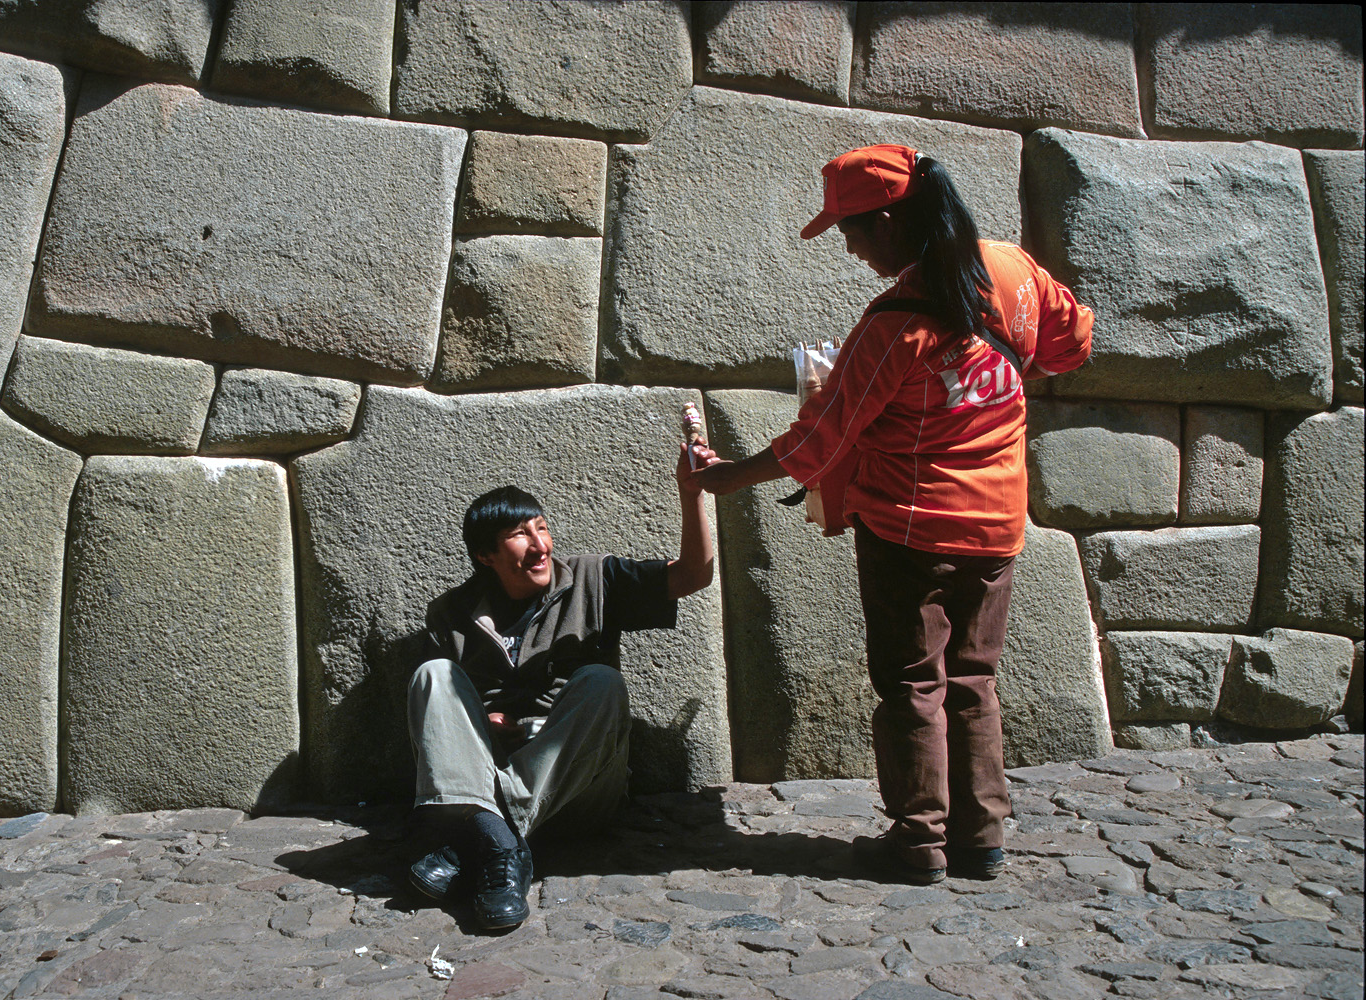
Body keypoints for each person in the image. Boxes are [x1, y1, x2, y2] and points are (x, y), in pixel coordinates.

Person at [693, 144, 1092, 884]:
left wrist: (726, 477)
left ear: (886, 222)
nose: (847, 249)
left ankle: (919, 842)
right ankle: (984, 840)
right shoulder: (1011, 269)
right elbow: (1074, 340)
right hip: (997, 525)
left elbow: (822, 436)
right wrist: (1003, 373)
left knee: (913, 682)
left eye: (849, 231)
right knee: (974, 680)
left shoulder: (892, 326)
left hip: (909, 530)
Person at [406, 442, 717, 930]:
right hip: (487, 770)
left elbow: (695, 574)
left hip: (579, 790)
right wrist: (480, 724)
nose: (540, 545)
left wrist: (692, 493)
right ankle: (502, 846)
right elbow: (442, 726)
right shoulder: (450, 613)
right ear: (486, 555)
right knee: (433, 675)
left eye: (542, 529)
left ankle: (485, 835)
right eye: (518, 535)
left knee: (600, 681)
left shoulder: (595, 579)